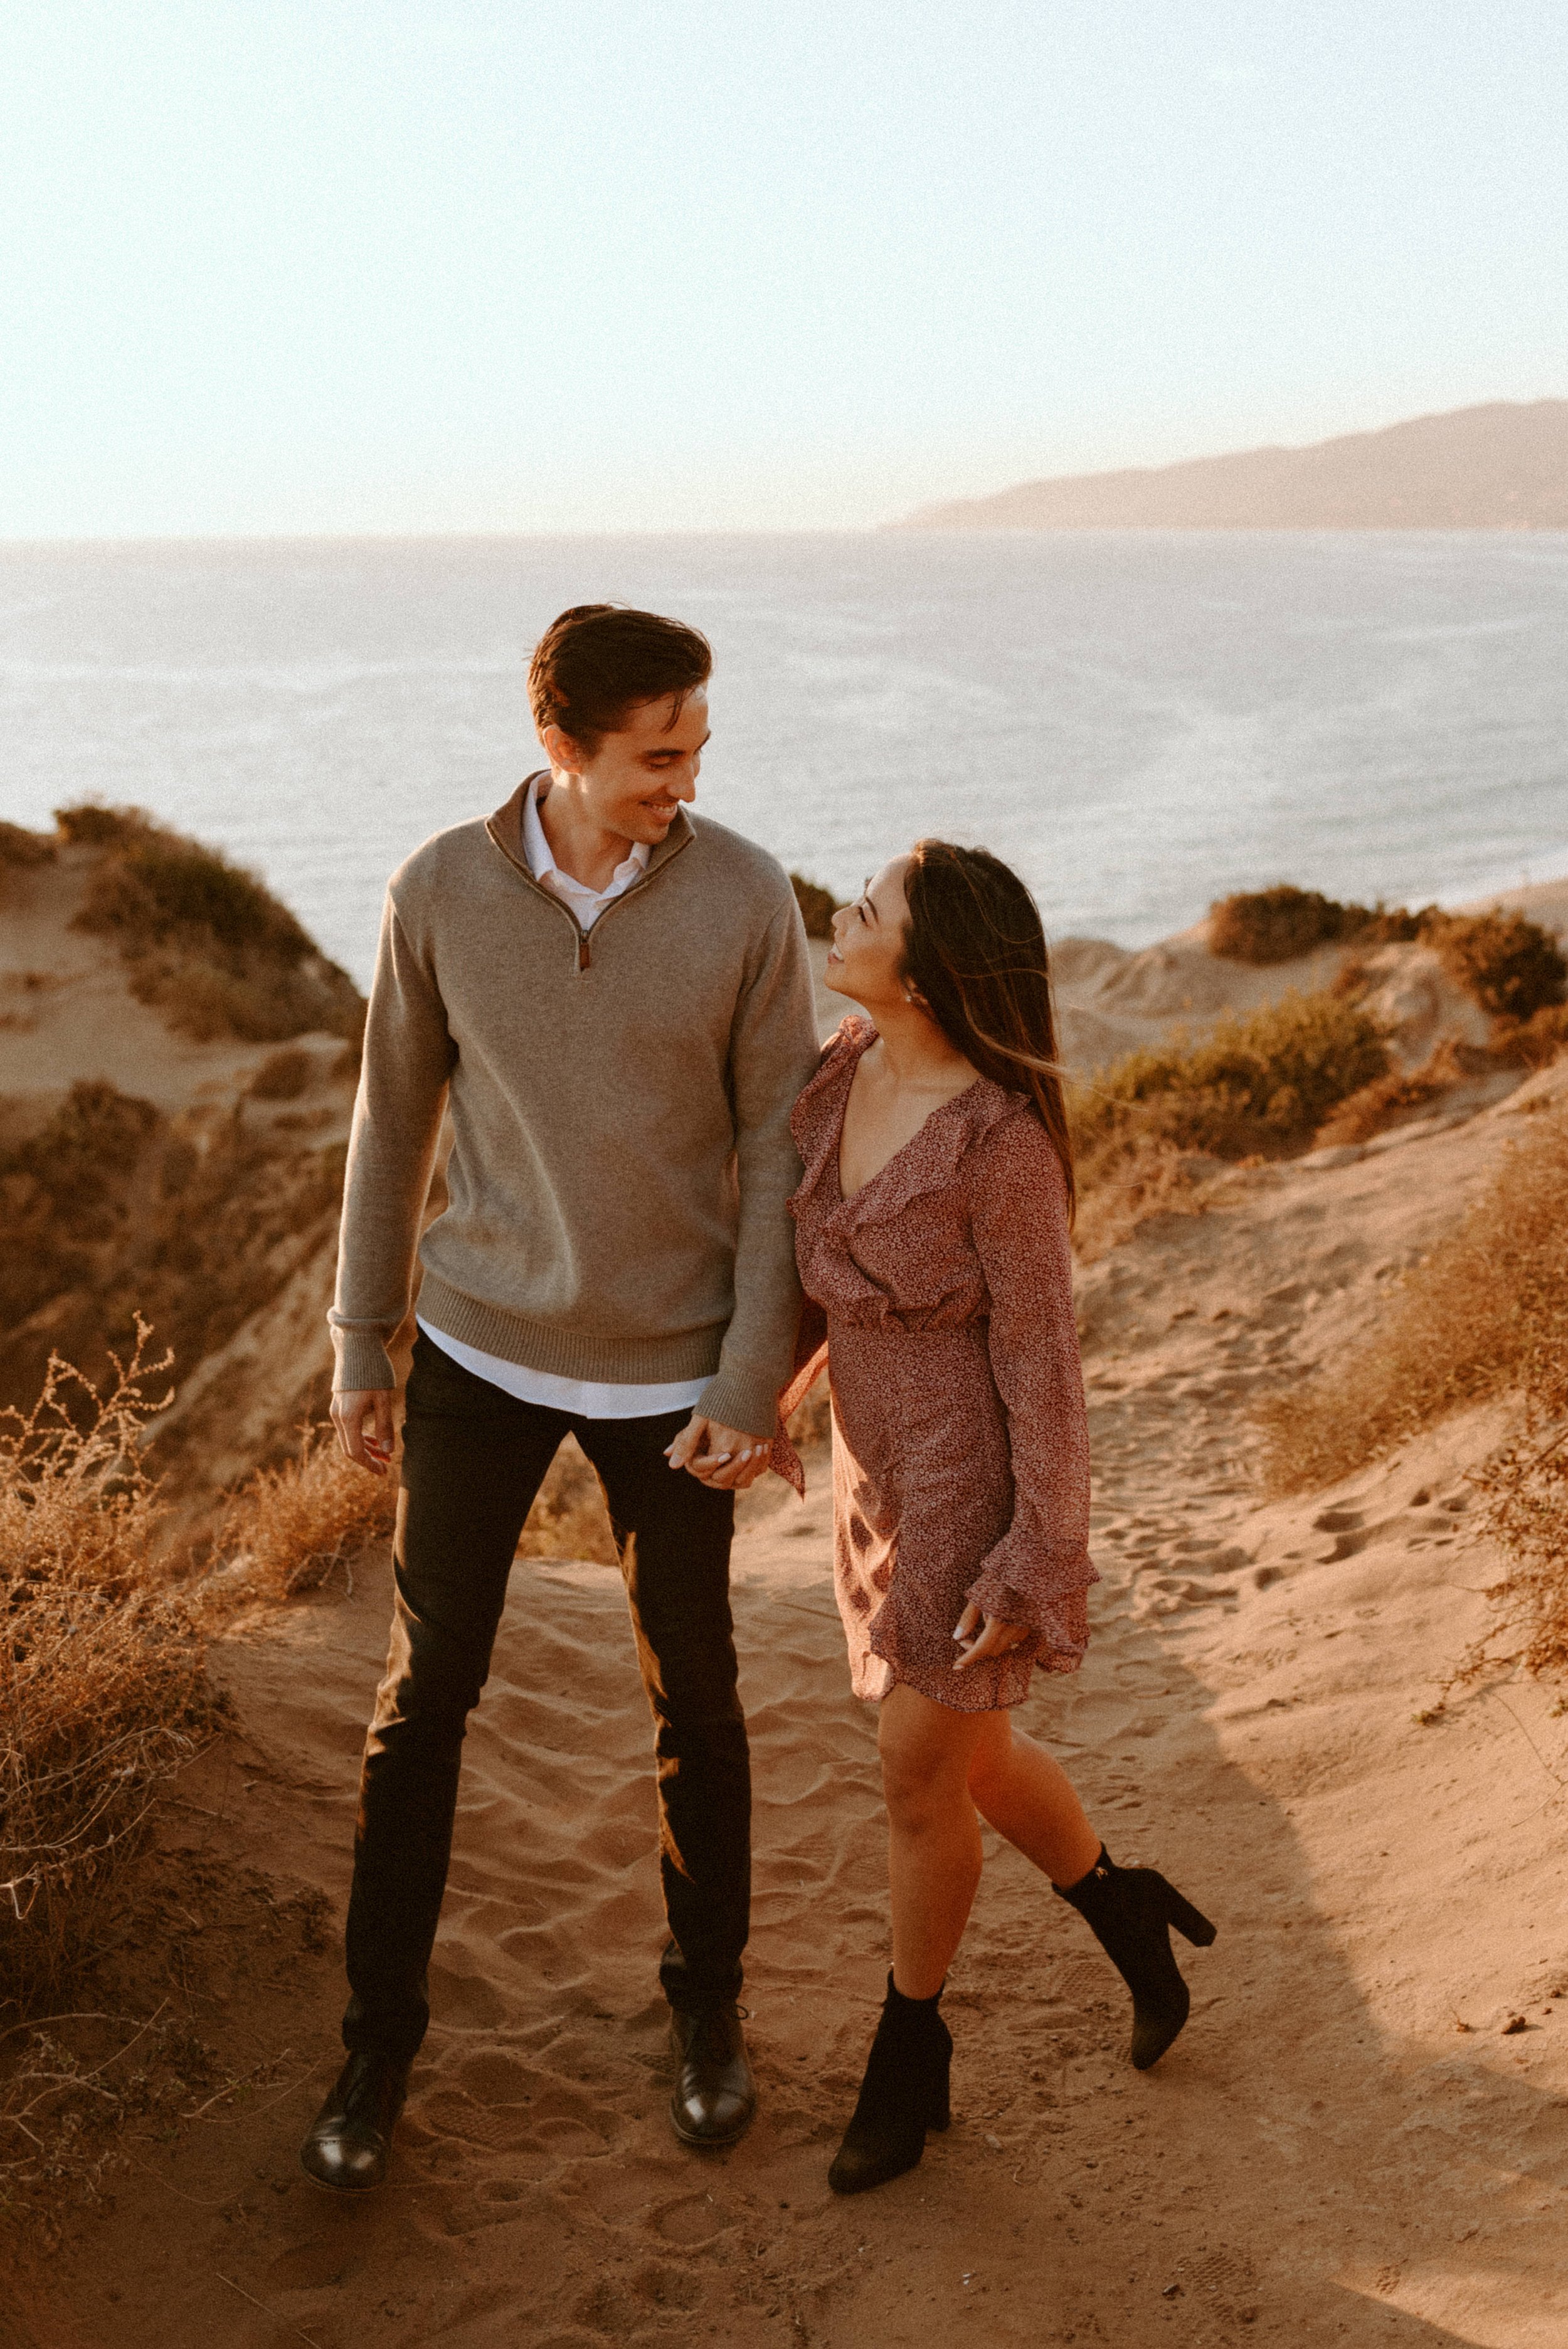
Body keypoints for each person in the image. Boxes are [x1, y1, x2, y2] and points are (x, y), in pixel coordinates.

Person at [299, 605, 821, 2191]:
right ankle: (374, 2048)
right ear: (562, 749)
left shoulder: (743, 897)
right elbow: (391, 1124)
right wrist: (358, 1341)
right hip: (475, 1345)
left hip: (674, 1372)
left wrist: (748, 1373)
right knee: (420, 1700)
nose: (688, 780)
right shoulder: (438, 891)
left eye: (698, 751)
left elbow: (781, 1150)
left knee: (695, 1699)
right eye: (658, 756)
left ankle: (706, 2020)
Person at [780, 840, 1216, 2197]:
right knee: (969, 1762)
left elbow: (1043, 1366)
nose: (840, 914)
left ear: (928, 969)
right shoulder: (839, 1068)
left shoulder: (999, 1144)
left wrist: (1036, 1552)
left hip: (970, 1489)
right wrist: (757, 1411)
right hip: (870, 1472)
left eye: (870, 909)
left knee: (918, 1768)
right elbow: (819, 1275)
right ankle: (1122, 1906)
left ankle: (907, 2050)